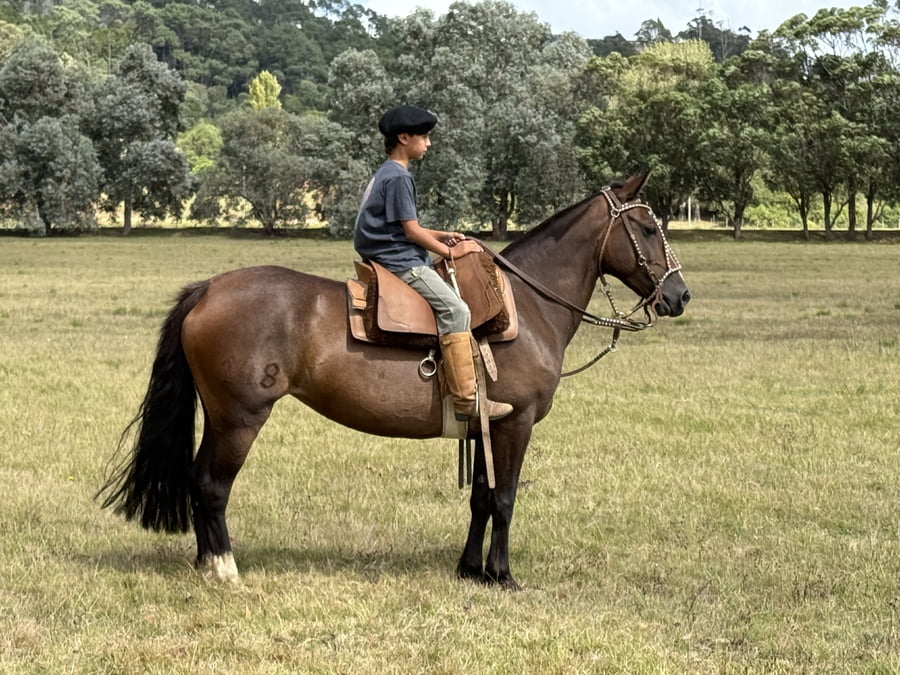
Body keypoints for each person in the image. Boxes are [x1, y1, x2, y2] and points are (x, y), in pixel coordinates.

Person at [353, 104, 512, 422]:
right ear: (404, 138)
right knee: (457, 310)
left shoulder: (386, 172)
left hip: (388, 254)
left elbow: (403, 225)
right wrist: (452, 253)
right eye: (424, 137)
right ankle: (466, 401)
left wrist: (442, 235)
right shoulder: (399, 177)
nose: (428, 143)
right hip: (401, 262)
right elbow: (411, 232)